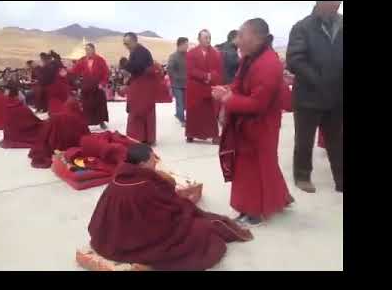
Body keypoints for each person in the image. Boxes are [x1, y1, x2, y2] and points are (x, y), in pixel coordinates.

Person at [88, 143, 253, 270]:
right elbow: (168, 213)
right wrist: (186, 206)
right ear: (143, 163)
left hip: (109, 239)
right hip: (139, 241)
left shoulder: (118, 178)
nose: (155, 161)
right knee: (200, 231)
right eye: (153, 158)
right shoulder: (145, 186)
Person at [213, 18, 293, 227]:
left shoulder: (268, 64)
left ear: (257, 38)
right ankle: (280, 197)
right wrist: (227, 92)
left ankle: (254, 211)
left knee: (255, 166)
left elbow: (258, 103)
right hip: (246, 123)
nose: (237, 41)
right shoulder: (249, 59)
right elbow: (239, 85)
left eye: (241, 35)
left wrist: (228, 99)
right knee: (263, 163)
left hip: (261, 125)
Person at [286, 1, 343, 193]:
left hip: (336, 97)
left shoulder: (342, 24)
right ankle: (302, 176)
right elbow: (294, 59)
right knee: (304, 139)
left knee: (337, 140)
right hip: (308, 97)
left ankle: (341, 179)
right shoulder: (303, 27)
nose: (337, 6)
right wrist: (319, 79)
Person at [185, 29, 223, 144]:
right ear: (199, 39)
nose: (208, 40)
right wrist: (205, 76)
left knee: (210, 113)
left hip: (209, 87)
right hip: (195, 87)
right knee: (194, 111)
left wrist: (212, 77)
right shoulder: (191, 53)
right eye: (205, 37)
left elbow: (218, 69)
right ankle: (191, 134)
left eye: (209, 37)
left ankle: (214, 135)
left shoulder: (216, 53)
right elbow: (191, 70)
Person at [121, 32, 158, 145]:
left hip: (143, 87)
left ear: (134, 41)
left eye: (127, 43)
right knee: (142, 111)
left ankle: (138, 137)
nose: (126, 46)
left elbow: (138, 68)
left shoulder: (141, 51)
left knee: (139, 111)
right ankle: (145, 137)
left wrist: (125, 64)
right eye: (124, 44)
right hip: (142, 86)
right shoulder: (136, 51)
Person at [70, 43, 110, 129]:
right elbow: (74, 71)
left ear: (93, 50)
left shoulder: (100, 59)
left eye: (88, 49)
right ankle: (87, 121)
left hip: (97, 85)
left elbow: (106, 72)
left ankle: (101, 122)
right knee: (87, 105)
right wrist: (73, 78)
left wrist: (102, 83)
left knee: (99, 105)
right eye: (86, 50)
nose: (87, 51)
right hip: (86, 85)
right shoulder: (82, 60)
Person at [0, 81, 44, 149]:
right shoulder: (21, 107)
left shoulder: (4, 106)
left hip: (10, 135)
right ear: (17, 94)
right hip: (20, 134)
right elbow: (33, 121)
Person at [167, 37, 188, 126]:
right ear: (180, 45)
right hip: (177, 84)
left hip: (187, 83)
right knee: (180, 102)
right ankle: (182, 120)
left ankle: (179, 115)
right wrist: (176, 78)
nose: (187, 46)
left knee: (185, 102)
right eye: (186, 44)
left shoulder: (189, 55)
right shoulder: (173, 56)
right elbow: (170, 69)